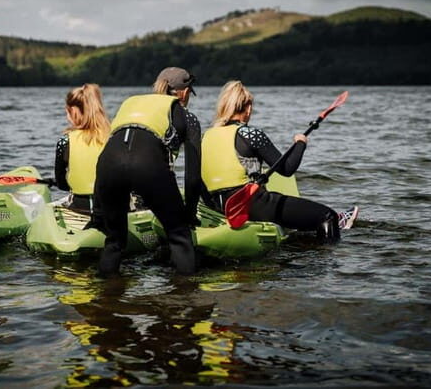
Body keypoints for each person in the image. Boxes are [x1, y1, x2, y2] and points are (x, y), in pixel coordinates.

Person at [200, 80, 358, 243]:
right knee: (327, 216)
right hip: (251, 204)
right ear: (248, 108)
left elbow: (197, 181)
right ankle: (326, 260)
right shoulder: (250, 134)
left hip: (219, 206)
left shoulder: (205, 137)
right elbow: (287, 169)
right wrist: (300, 144)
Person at [94, 66, 202, 276]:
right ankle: (187, 298)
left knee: (115, 241)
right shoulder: (186, 116)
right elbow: (193, 177)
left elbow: (107, 155)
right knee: (179, 235)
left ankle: (105, 300)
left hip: (107, 165)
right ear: (185, 92)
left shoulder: (131, 105)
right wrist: (188, 214)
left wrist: (98, 212)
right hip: (147, 165)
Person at [54, 83, 111, 213]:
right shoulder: (114, 136)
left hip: (81, 206)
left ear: (73, 111)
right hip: (112, 205)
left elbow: (62, 184)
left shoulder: (65, 141)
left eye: (67, 113)